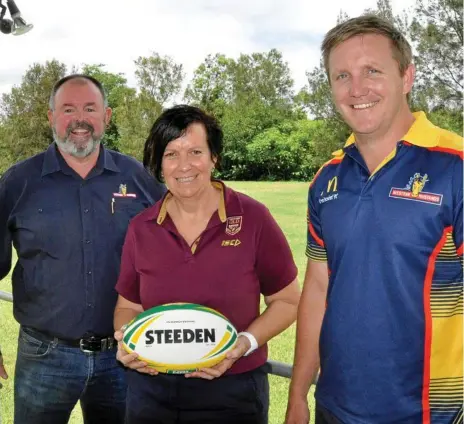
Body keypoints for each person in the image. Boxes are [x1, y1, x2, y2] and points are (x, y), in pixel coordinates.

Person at [286, 15, 463, 424]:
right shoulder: (326, 178)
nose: (357, 89)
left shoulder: (455, 166)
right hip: (335, 408)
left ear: (406, 77)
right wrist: (298, 394)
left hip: (428, 414)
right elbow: (316, 287)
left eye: (372, 71)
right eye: (342, 75)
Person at [113, 104, 301, 424]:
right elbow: (128, 305)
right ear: (159, 164)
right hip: (152, 394)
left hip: (233, 391)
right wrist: (127, 340)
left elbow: (287, 301)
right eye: (171, 154)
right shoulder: (141, 227)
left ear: (214, 157)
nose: (184, 165)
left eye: (195, 151)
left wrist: (244, 343)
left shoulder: (253, 218)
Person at [0, 74, 166, 424]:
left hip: (125, 354)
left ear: (106, 116)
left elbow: (173, 252)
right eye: (68, 109)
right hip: (44, 356)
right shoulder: (18, 182)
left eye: (90, 108)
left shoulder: (137, 177)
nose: (80, 119)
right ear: (51, 118)